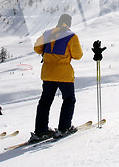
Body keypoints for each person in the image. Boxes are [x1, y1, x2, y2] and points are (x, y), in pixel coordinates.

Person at [29, 14, 83, 142]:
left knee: (45, 101)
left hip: (47, 73)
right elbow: (78, 55)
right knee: (69, 99)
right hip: (63, 73)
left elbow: (37, 48)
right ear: (69, 23)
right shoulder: (71, 35)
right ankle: (64, 128)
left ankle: (41, 130)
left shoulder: (48, 33)